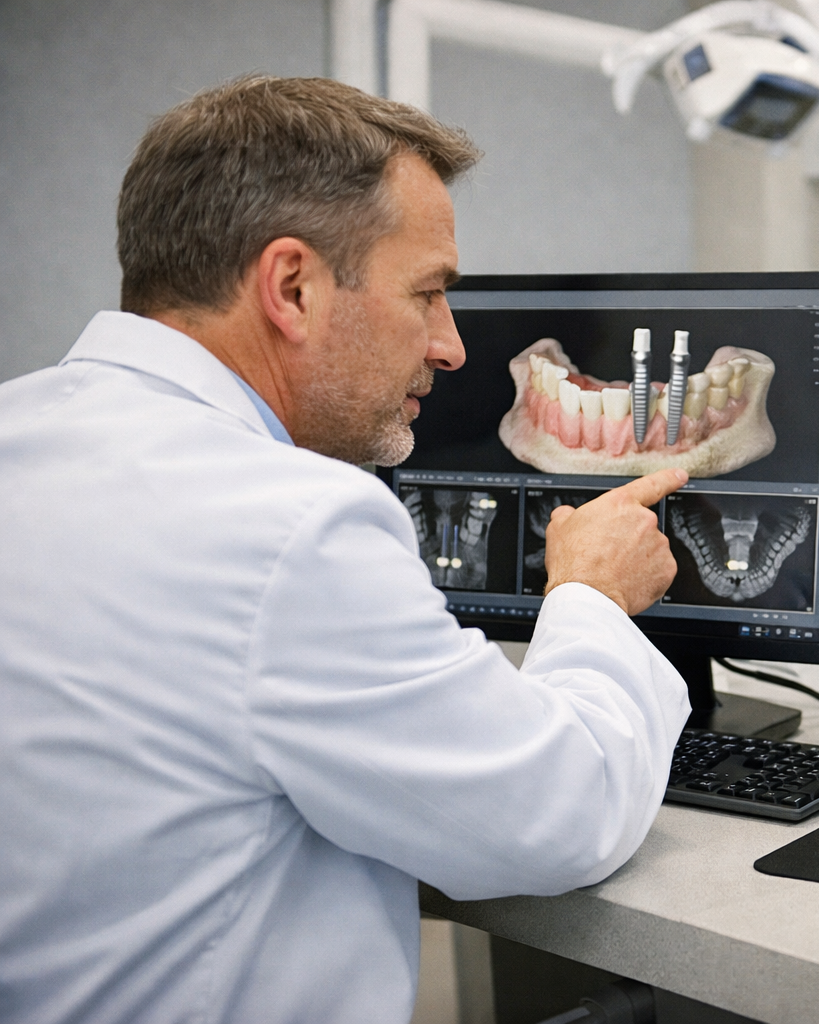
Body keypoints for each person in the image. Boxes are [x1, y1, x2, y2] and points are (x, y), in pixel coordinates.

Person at [0, 76, 692, 1023]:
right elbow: (562, 817)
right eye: (430, 292)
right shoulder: (289, 524)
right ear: (292, 286)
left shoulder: (21, 432)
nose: (452, 346)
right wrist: (591, 595)